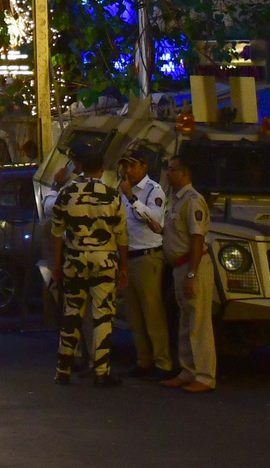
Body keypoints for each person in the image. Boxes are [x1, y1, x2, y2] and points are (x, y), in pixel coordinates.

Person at [49, 144, 126, 387]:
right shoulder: (113, 195)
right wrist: (123, 267)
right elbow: (122, 236)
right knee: (103, 315)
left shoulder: (67, 193)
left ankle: (63, 369)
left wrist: (57, 264)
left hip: (74, 259)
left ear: (80, 167)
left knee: (72, 313)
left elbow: (56, 232)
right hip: (104, 261)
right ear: (102, 169)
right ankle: (101, 371)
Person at [160, 154, 215, 393]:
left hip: (193, 266)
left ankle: (204, 375)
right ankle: (188, 370)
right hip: (179, 266)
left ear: (183, 174)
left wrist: (192, 274)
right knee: (185, 321)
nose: (168, 174)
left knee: (199, 322)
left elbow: (197, 237)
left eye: (172, 170)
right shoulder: (175, 199)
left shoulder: (193, 200)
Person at [117, 150, 173, 379]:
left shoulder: (153, 190)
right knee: (134, 316)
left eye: (131, 166)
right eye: (124, 166)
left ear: (143, 166)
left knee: (153, 313)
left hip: (147, 257)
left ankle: (163, 363)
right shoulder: (121, 190)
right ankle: (143, 360)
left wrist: (132, 198)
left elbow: (154, 218)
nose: (127, 171)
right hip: (127, 258)